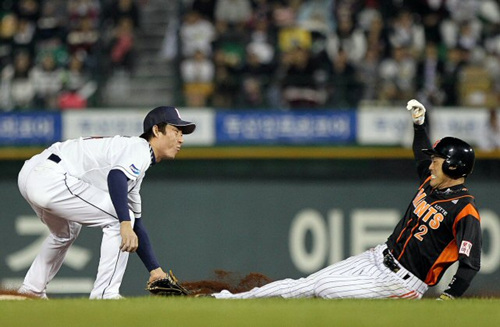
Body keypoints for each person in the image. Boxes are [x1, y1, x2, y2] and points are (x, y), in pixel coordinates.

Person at [213, 99, 482, 300]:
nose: (432, 164)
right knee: (305, 284)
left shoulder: (464, 209)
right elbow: (421, 153)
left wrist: (451, 295)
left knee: (325, 289)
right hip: (379, 256)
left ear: (454, 167)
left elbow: (470, 263)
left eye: (438, 160)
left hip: (404, 282)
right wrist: (419, 125)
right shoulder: (431, 182)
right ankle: (231, 301)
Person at [17, 106, 196, 299]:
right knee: (119, 218)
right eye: (176, 131)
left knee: (66, 232)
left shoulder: (134, 165)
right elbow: (116, 176)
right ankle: (105, 293)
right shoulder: (140, 148)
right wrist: (124, 223)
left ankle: (31, 291)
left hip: (33, 173)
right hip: (50, 177)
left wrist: (155, 270)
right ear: (156, 131)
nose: (181, 139)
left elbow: (138, 224)